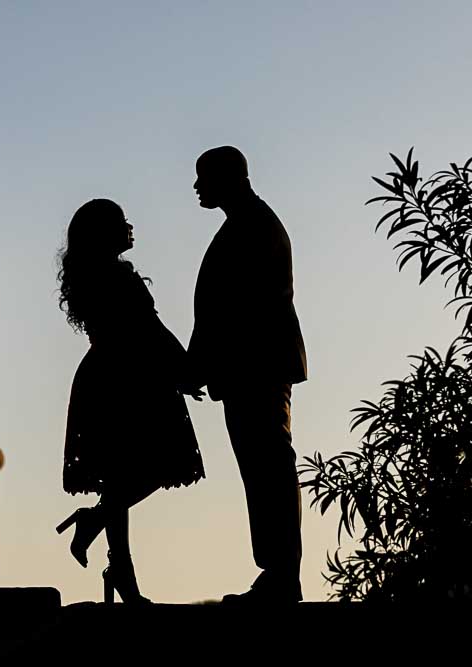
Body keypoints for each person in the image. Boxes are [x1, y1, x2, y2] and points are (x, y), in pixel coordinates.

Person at [56, 198, 205, 605]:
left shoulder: (90, 276)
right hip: (133, 378)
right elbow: (150, 330)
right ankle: (96, 522)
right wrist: (185, 371)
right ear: (107, 233)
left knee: (118, 475)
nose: (130, 228)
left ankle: (121, 569)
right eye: (122, 222)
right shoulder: (118, 277)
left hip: (103, 376)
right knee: (161, 464)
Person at [188, 146, 308, 604]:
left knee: (268, 468)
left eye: (204, 178)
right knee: (262, 469)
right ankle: (276, 571)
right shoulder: (246, 225)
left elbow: (234, 311)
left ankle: (281, 574)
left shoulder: (253, 228)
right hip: (249, 367)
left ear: (229, 177)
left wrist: (197, 365)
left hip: (256, 366)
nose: (197, 188)